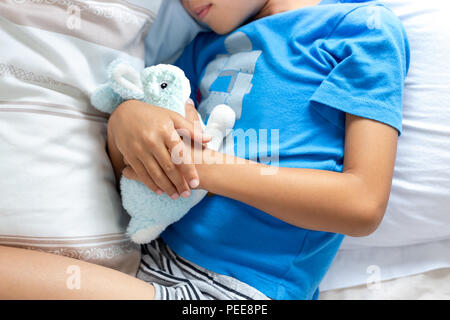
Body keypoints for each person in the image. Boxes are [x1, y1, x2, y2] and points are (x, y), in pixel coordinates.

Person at [106, 0, 410, 300]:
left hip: (242, 291)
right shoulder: (202, 49)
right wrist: (123, 122)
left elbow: (362, 205)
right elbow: (136, 178)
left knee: (58, 281)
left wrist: (201, 165)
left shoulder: (360, 27)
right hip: (146, 253)